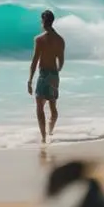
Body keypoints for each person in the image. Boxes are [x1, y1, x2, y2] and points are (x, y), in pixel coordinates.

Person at [28, 10, 65, 144]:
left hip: (43, 75)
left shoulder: (39, 39)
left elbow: (34, 61)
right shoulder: (60, 40)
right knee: (53, 107)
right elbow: (61, 62)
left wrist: (30, 80)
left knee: (39, 107)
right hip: (54, 75)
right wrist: (55, 75)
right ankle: (51, 130)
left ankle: (44, 137)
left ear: (43, 21)